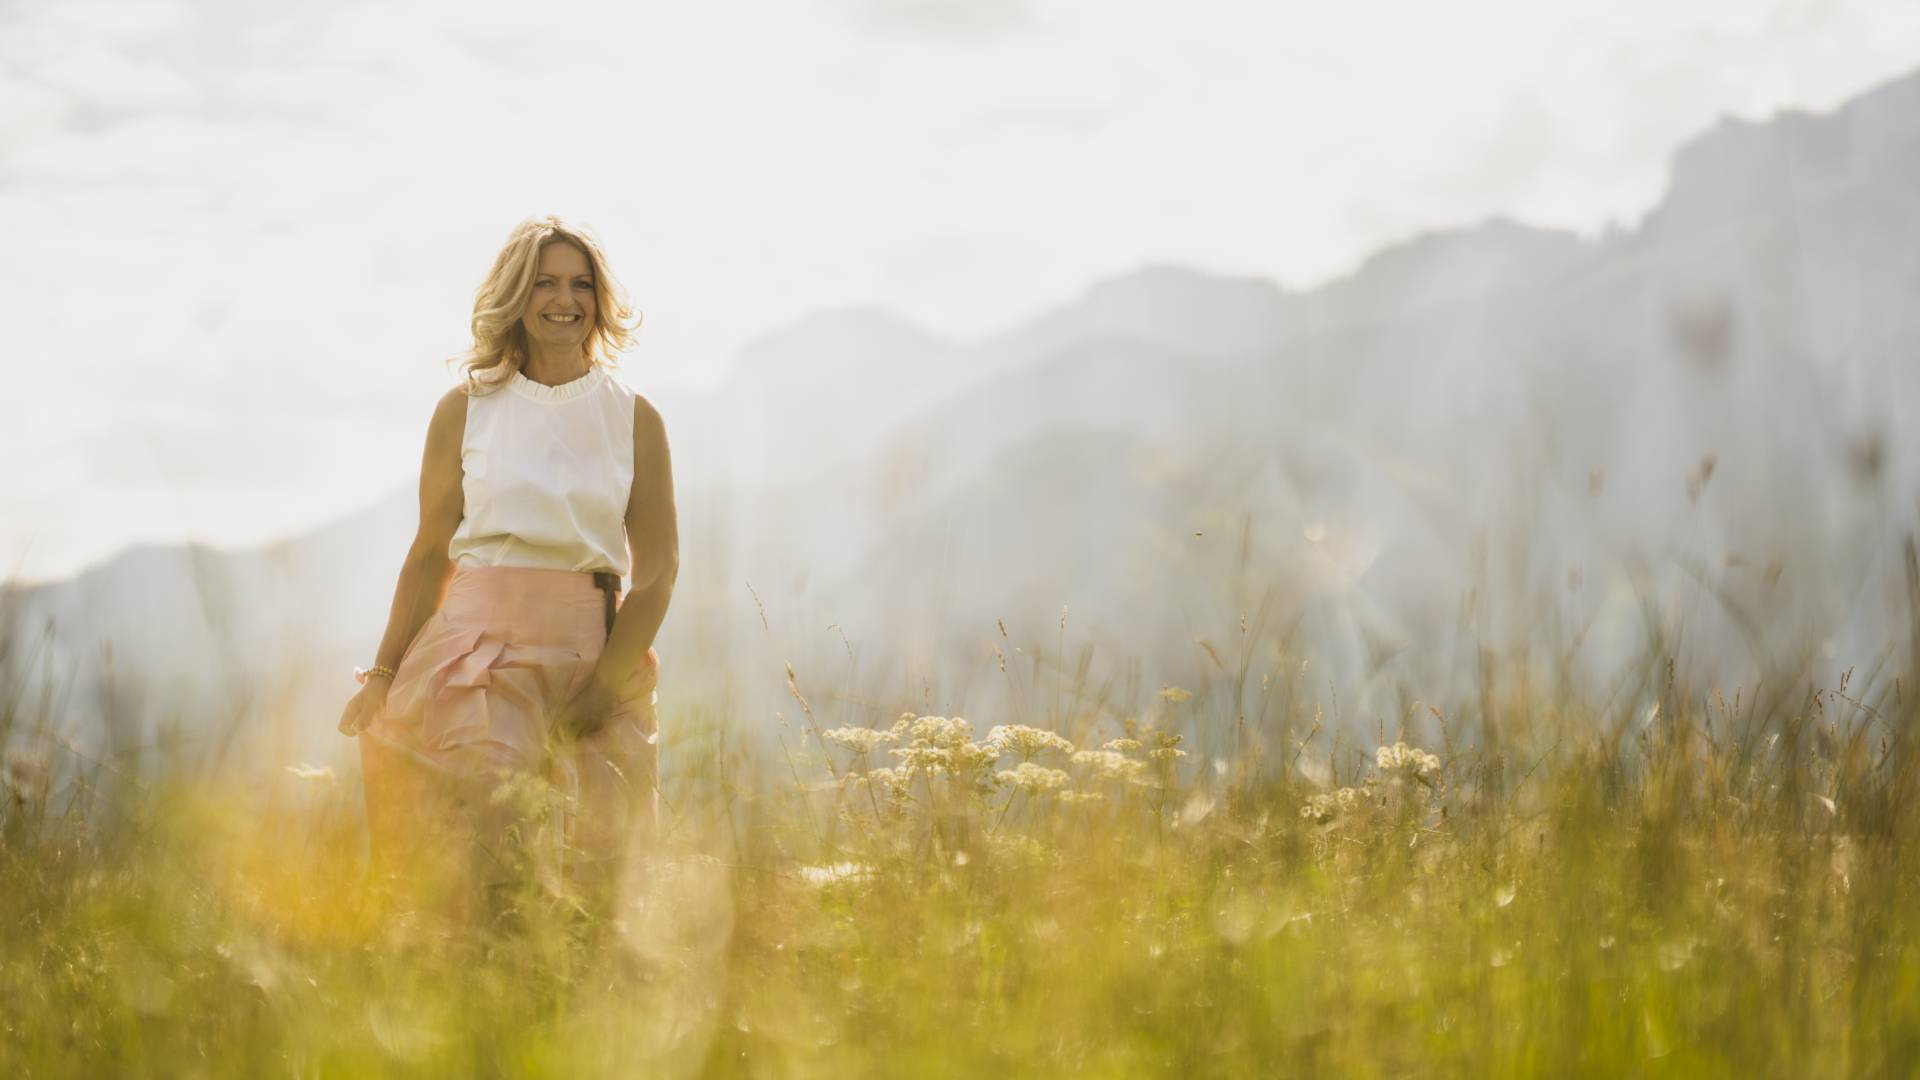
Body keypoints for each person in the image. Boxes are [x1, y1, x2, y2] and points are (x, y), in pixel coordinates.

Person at [335, 216, 677, 925]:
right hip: (475, 656)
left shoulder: (635, 418)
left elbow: (657, 573)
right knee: (490, 860)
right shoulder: (464, 410)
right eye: (546, 282)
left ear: (599, 300)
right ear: (516, 296)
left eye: (581, 284)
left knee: (600, 873)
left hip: (593, 655)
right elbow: (430, 553)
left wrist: (604, 686)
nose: (566, 299)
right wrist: (385, 674)